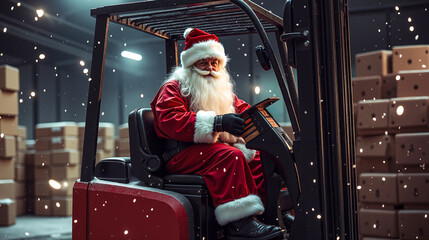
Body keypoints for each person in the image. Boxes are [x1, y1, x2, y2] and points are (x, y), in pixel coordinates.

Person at [151, 28, 283, 240]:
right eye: (204, 63)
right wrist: (218, 122)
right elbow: (170, 121)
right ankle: (239, 224)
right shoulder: (174, 88)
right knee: (232, 157)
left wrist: (256, 117)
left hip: (208, 150)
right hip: (181, 153)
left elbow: (239, 108)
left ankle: (265, 214)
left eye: (215, 63)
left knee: (259, 157)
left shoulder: (222, 91)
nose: (211, 68)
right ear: (191, 64)